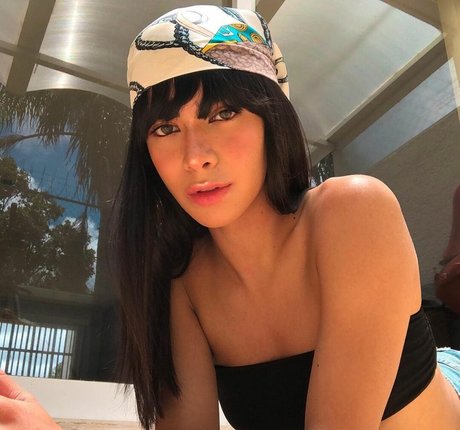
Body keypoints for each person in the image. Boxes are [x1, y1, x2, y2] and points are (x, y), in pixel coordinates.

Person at [0, 5, 460, 430]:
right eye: (166, 128)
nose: (194, 156)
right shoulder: (185, 282)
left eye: (222, 113)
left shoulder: (351, 211)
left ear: (271, 121)